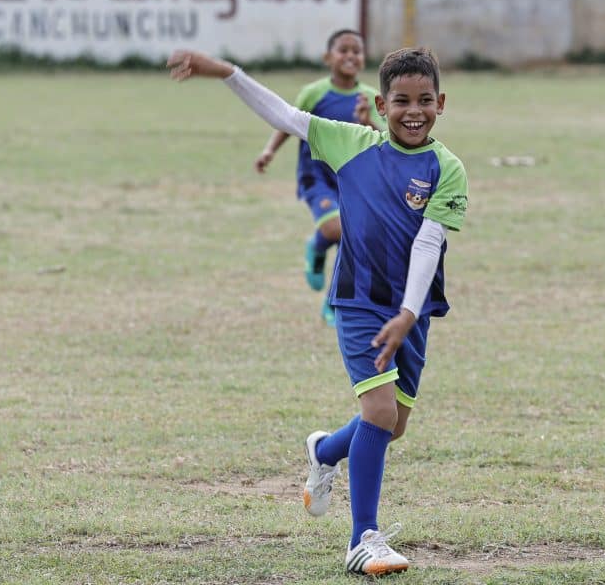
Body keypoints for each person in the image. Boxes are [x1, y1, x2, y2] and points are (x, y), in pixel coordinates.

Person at [168, 47, 468, 576]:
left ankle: (326, 451)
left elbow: (429, 243)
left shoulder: (447, 168)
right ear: (380, 104)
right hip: (357, 302)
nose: (413, 111)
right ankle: (363, 539)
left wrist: (408, 312)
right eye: (401, 101)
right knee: (378, 414)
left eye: (425, 100)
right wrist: (228, 72)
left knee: (393, 426)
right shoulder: (350, 143)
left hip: (411, 314)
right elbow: (284, 115)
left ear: (441, 103)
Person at [254, 30, 382, 327]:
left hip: (352, 180)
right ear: (328, 58)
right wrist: (269, 151)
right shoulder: (314, 93)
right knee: (337, 229)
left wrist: (366, 120)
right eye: (343, 50)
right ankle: (317, 245)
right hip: (316, 176)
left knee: (353, 239)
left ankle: (333, 303)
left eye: (357, 50)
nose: (351, 55)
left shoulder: (369, 96)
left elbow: (381, 139)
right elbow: (288, 122)